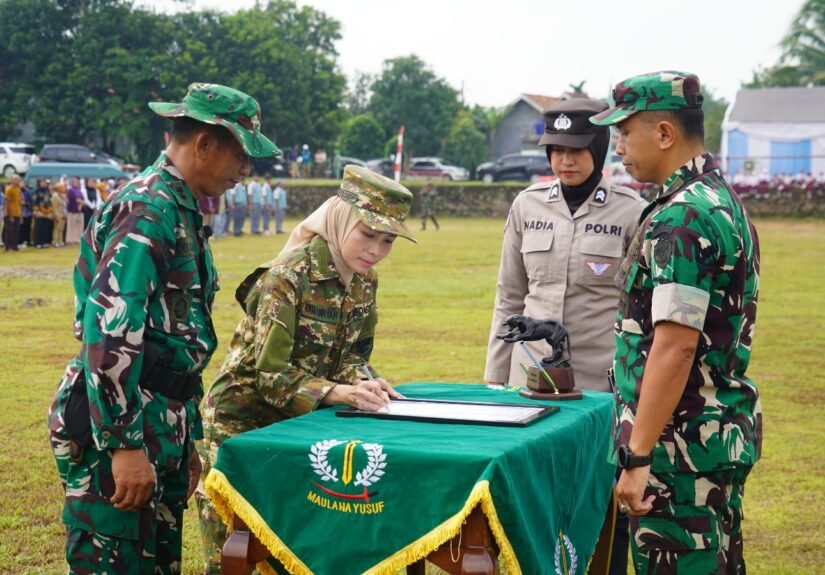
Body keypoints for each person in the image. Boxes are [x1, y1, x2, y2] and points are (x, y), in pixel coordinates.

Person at [47, 82, 280, 575]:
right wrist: (124, 445)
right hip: (122, 426)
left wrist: (185, 440)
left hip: (160, 422)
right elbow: (110, 333)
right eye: (241, 155)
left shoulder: (179, 208)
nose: (246, 171)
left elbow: (178, 342)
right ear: (204, 144)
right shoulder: (148, 211)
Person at [196, 164, 416, 573]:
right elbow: (270, 375)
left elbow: (352, 356)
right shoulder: (287, 276)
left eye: (387, 241)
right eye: (367, 234)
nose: (375, 249)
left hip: (298, 428)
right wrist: (339, 393)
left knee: (292, 545)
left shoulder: (365, 282)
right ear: (339, 220)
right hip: (238, 426)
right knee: (233, 552)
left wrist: (367, 382)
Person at [590, 71, 761, 574]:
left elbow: (675, 347)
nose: (616, 146)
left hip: (679, 449)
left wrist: (638, 456)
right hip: (712, 438)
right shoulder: (719, 200)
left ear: (664, 133)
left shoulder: (680, 219)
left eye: (624, 131)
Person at [485, 98, 645, 392]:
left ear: (598, 147)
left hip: (598, 381)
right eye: (557, 150)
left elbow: (642, 309)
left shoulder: (632, 212)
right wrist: (496, 374)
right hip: (528, 373)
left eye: (576, 150)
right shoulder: (527, 205)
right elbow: (508, 296)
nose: (565, 160)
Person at [3, 174, 23, 251]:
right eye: (15, 179)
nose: (17, 181)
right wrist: (10, 215)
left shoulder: (18, 190)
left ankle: (15, 246)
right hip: (9, 213)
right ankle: (8, 246)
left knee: (16, 231)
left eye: (18, 179)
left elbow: (19, 203)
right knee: (9, 231)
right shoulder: (9, 189)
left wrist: (20, 215)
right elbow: (7, 202)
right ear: (11, 180)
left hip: (17, 212)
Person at [65, 177, 85, 244]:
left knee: (78, 226)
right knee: (72, 226)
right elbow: (73, 199)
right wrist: (80, 202)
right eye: (74, 182)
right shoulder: (70, 190)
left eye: (77, 182)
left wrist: (81, 204)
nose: (76, 183)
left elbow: (82, 199)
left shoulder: (79, 190)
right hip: (72, 210)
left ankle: (77, 239)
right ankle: (71, 240)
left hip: (79, 210)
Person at [51, 179, 67, 247]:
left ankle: (60, 241)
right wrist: (56, 215)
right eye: (63, 187)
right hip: (58, 214)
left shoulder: (62, 195)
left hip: (63, 214)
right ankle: (55, 241)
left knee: (61, 229)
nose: (64, 188)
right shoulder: (55, 196)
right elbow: (54, 207)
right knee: (56, 229)